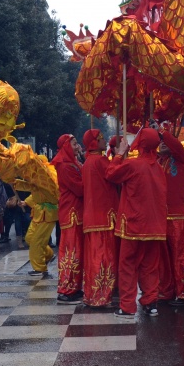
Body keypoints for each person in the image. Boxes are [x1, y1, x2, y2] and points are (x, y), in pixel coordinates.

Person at [106, 130, 167, 318]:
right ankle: (151, 303)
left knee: (127, 265)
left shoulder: (133, 165)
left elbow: (110, 174)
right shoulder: (158, 168)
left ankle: (127, 306)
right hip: (155, 227)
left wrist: (118, 154)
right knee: (150, 266)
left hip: (133, 224)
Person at [157, 125, 184, 306]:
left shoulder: (182, 158)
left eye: (167, 140)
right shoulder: (158, 161)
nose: (163, 143)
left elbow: (177, 147)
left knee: (181, 255)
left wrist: (162, 132)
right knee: (163, 258)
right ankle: (166, 291)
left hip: (179, 215)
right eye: (161, 141)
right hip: (160, 217)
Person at [80, 129, 120, 306]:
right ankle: (101, 296)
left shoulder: (88, 161)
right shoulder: (100, 160)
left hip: (93, 217)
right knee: (104, 256)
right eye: (101, 138)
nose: (104, 141)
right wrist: (119, 156)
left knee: (94, 256)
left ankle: (93, 294)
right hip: (103, 216)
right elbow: (116, 174)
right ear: (95, 143)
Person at [53, 134, 84, 305]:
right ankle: (66, 290)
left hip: (77, 212)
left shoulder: (73, 162)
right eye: (74, 143)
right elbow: (79, 189)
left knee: (77, 252)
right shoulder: (65, 166)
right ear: (65, 146)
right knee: (71, 252)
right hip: (71, 213)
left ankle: (75, 287)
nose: (77, 145)